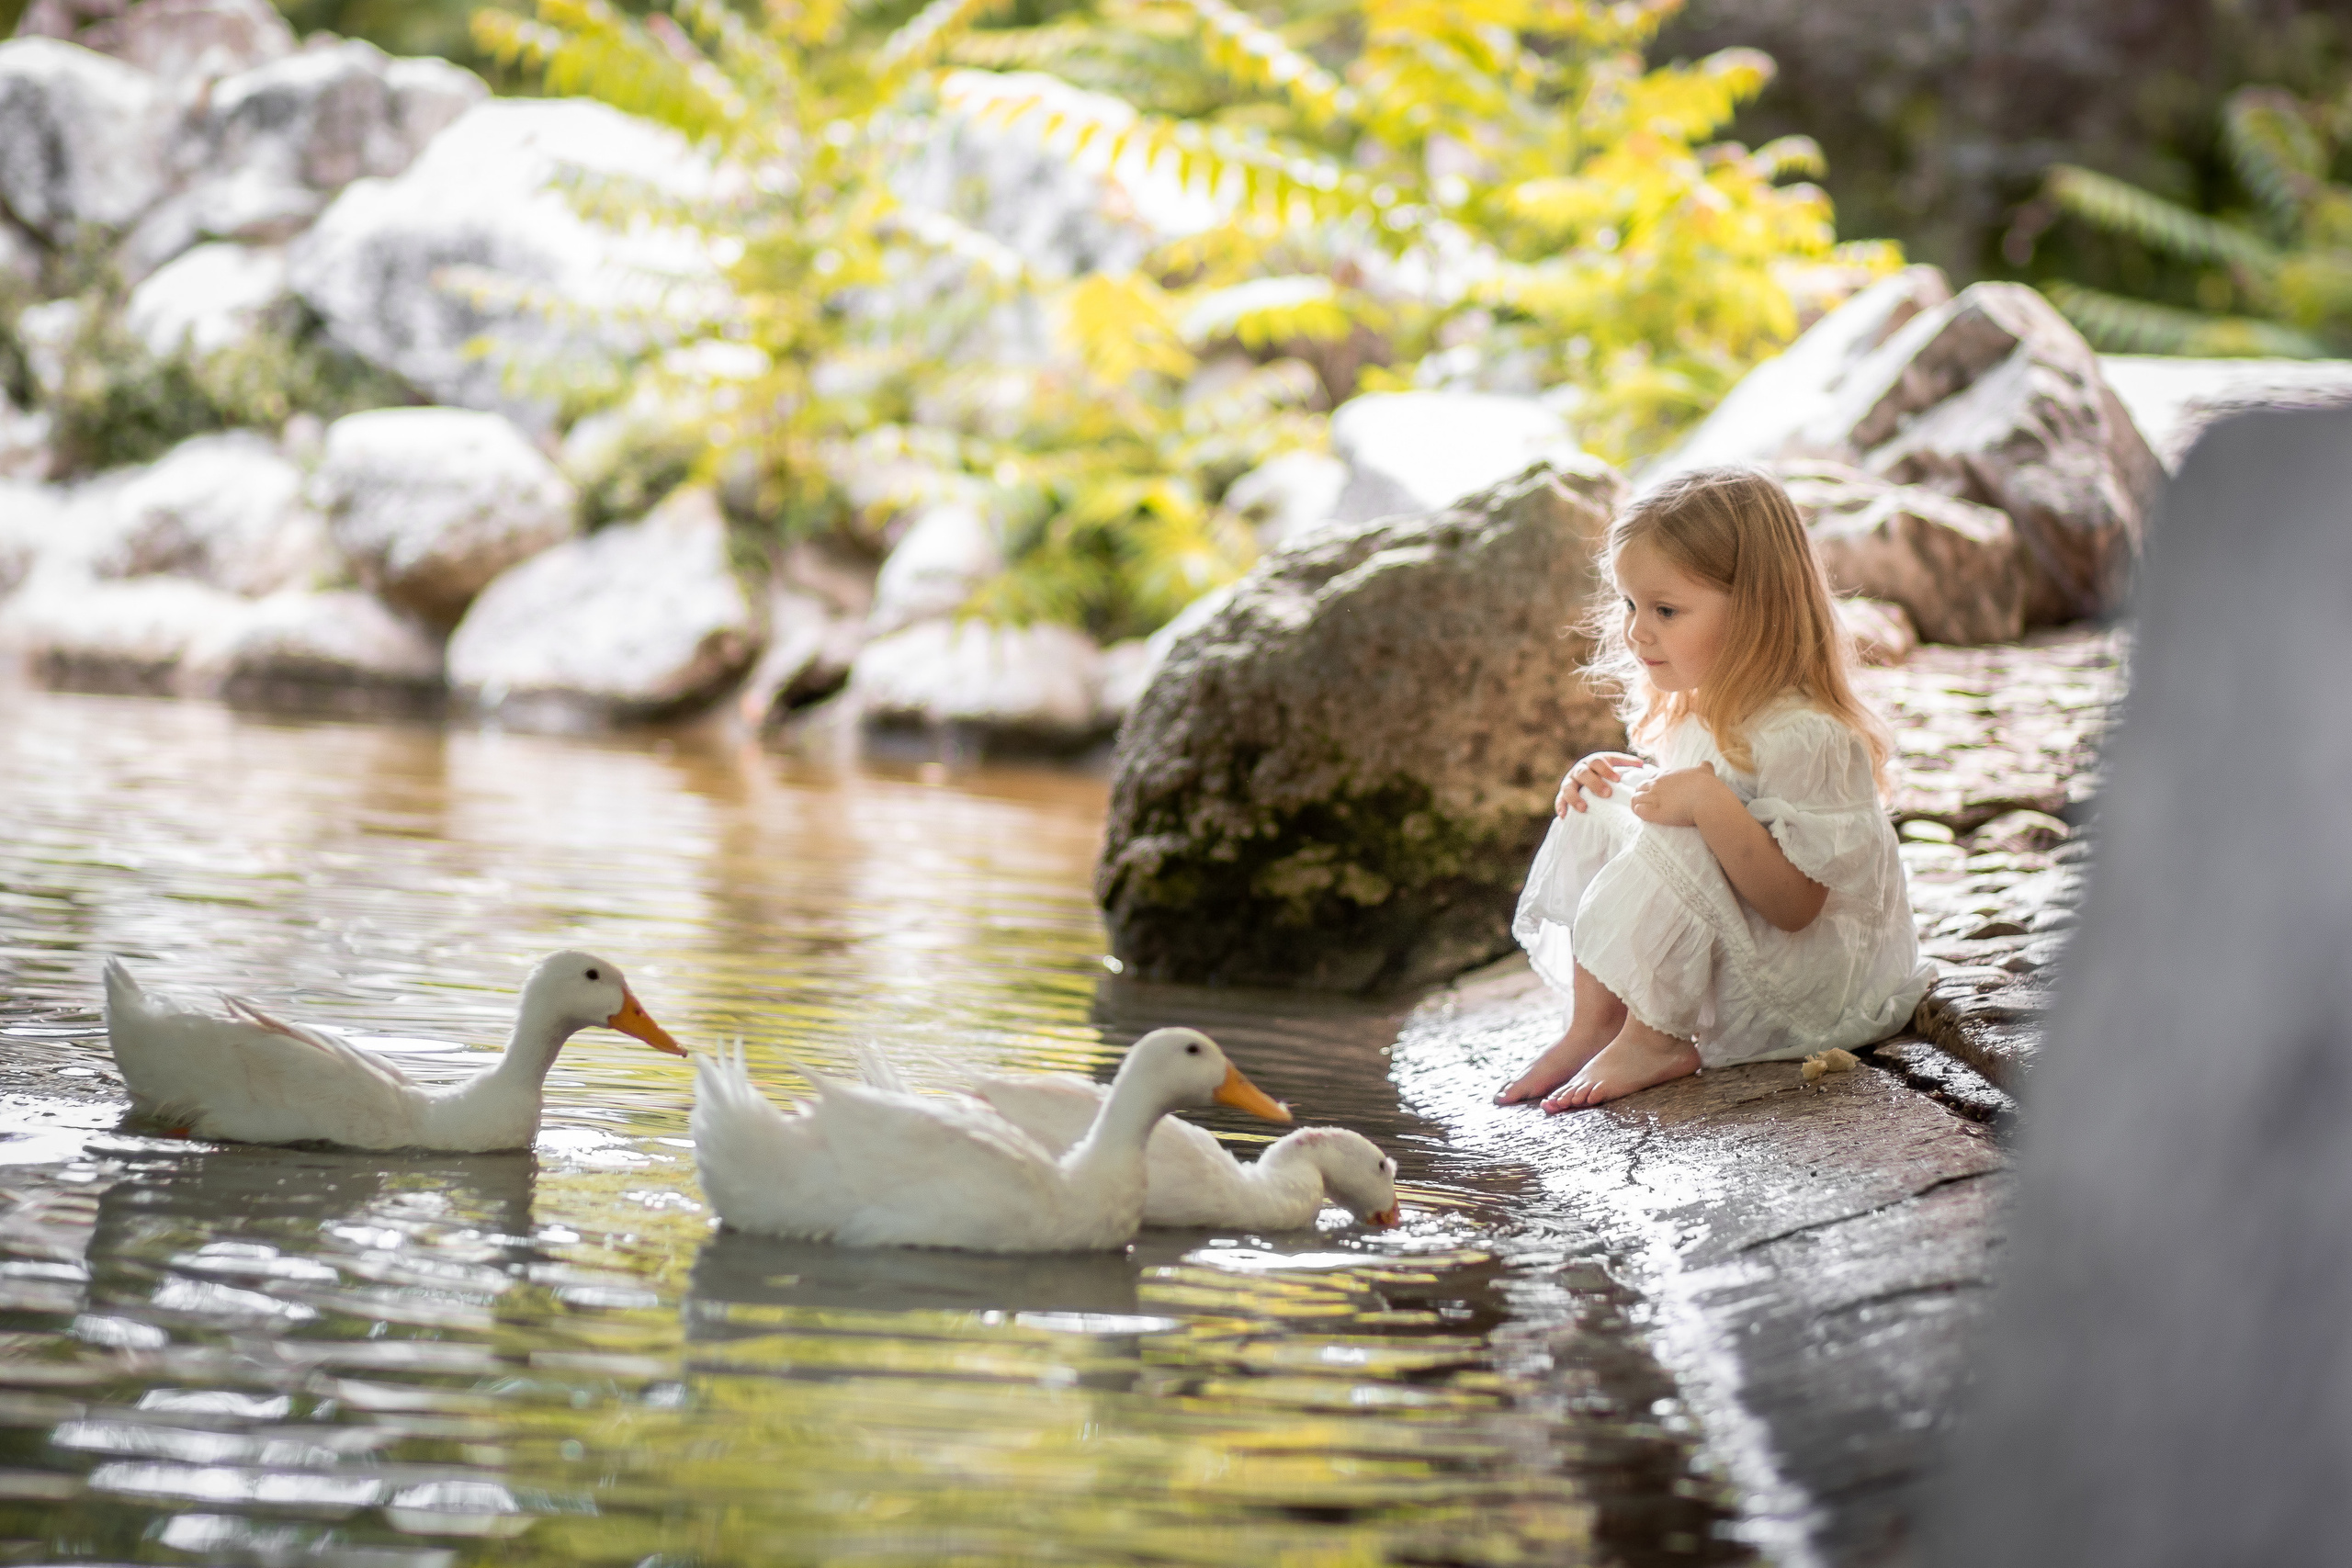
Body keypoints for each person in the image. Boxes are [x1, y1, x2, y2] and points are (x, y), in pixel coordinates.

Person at [1496, 465, 1933, 1111]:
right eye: (1629, 604)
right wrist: (1626, 785)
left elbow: (1795, 907)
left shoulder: (1806, 734)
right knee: (1605, 795)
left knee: (1681, 822)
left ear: (1756, 611)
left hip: (1818, 991)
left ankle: (1657, 1039)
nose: (1636, 631)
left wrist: (1705, 804)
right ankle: (1595, 1024)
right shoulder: (1699, 707)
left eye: (1665, 610)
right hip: (1750, 950)